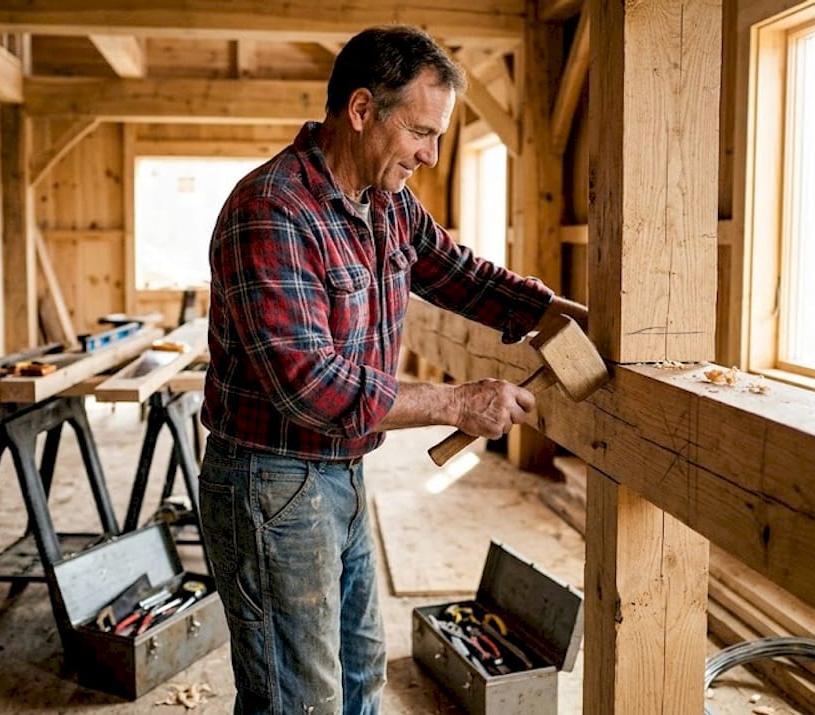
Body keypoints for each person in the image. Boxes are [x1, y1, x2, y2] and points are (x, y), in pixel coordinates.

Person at [199, 25, 589, 715]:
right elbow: (310, 386)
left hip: (341, 472)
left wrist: (560, 313)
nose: (430, 155)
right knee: (299, 700)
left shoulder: (386, 201)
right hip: (271, 481)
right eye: (420, 132)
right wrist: (457, 403)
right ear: (360, 110)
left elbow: (459, 273)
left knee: (360, 677)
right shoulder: (272, 209)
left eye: (438, 136)